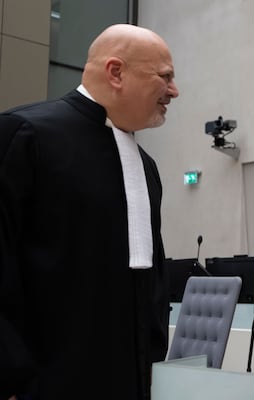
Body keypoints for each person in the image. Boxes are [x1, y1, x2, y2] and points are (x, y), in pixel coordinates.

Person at [0, 24, 179, 399]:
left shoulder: (146, 166)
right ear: (116, 72)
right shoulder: (23, 134)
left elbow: (149, 286)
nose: (174, 91)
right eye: (165, 77)